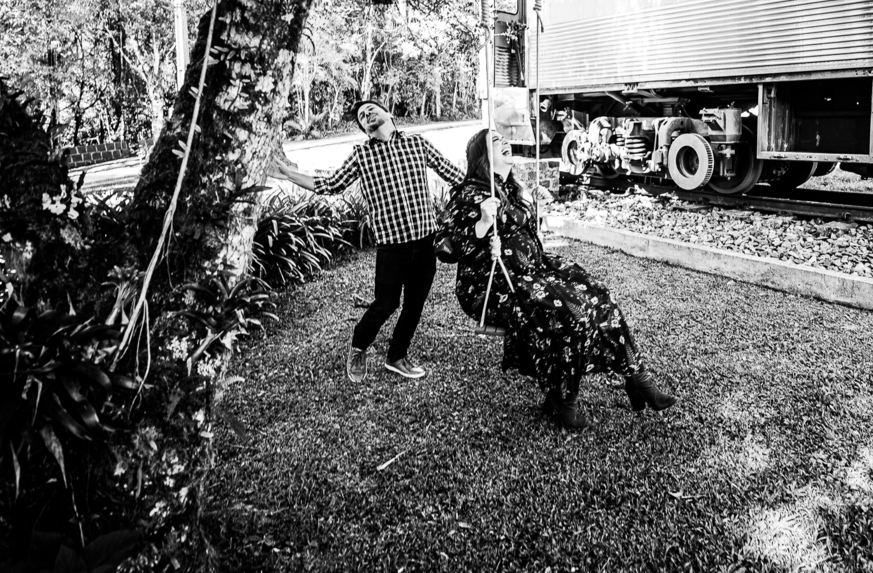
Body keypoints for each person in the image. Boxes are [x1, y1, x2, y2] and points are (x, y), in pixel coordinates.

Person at [445, 128, 676, 430]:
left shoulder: (511, 188)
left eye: (504, 138)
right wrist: (481, 226)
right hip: (497, 286)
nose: (504, 142)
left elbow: (519, 230)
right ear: (481, 158)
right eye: (495, 141)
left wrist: (536, 209)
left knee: (600, 296)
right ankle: (563, 400)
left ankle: (637, 377)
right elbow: (445, 247)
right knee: (571, 314)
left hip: (535, 271)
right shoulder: (470, 195)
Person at [270, 100, 464, 382]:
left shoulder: (417, 144)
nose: (367, 113)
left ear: (388, 112)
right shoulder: (361, 155)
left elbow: (454, 174)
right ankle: (359, 345)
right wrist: (288, 174)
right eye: (361, 116)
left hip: (425, 243)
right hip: (391, 247)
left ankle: (397, 356)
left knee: (414, 304)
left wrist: (488, 185)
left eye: (371, 108)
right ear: (363, 129)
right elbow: (329, 185)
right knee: (385, 304)